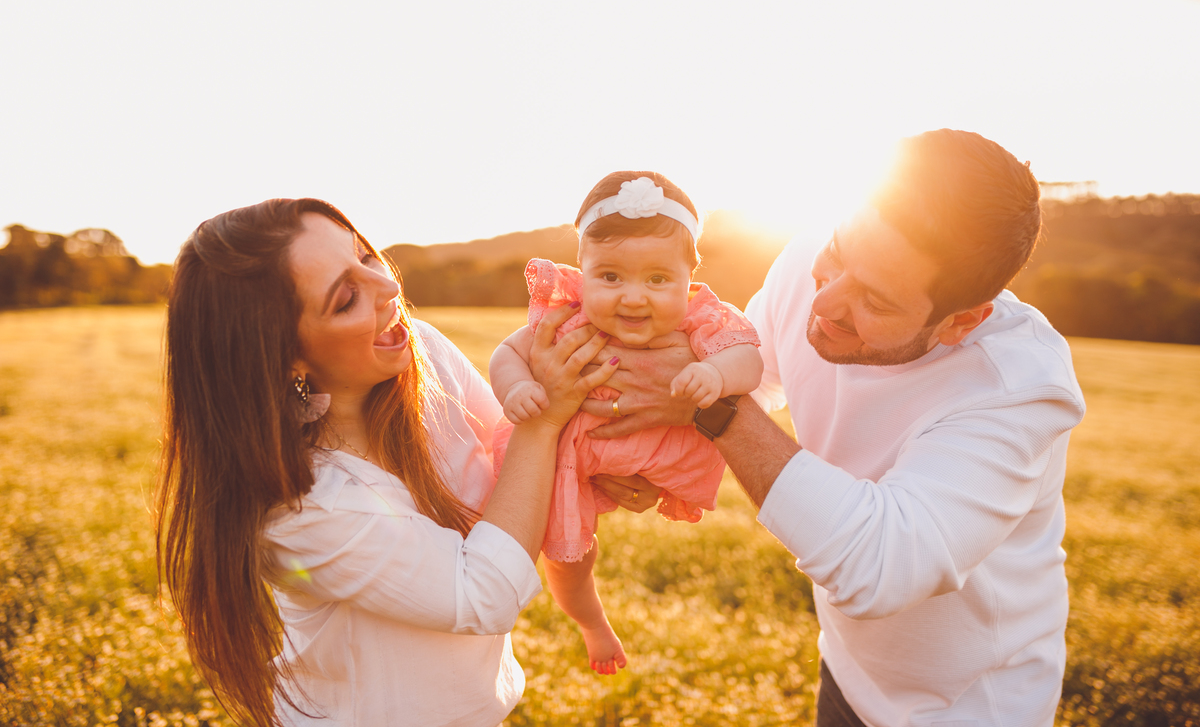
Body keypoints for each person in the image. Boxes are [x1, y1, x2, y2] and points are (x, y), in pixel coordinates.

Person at [576, 131, 1087, 726]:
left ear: (961, 321)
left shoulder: (1018, 387)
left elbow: (880, 566)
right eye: (841, 253)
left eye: (873, 298)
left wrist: (710, 412)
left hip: (968, 705)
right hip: (846, 669)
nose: (824, 302)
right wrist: (646, 467)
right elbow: (756, 376)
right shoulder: (807, 262)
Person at [155, 198, 623, 727]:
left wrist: (606, 468)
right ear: (285, 357)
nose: (391, 288)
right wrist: (545, 422)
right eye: (347, 297)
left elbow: (512, 458)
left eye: (365, 256)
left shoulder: (423, 353)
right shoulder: (300, 509)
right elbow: (483, 594)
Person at [488, 171, 763, 674]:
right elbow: (508, 351)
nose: (633, 297)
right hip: (564, 461)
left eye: (658, 280)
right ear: (583, 270)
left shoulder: (700, 317)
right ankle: (592, 622)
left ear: (689, 276)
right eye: (610, 277)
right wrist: (517, 387)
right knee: (569, 562)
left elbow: (748, 359)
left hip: (651, 459)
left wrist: (715, 373)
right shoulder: (567, 313)